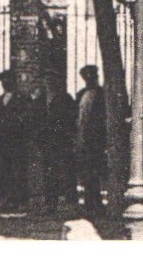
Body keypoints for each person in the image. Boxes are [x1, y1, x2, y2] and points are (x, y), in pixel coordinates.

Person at [34, 71, 77, 213]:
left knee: (66, 171)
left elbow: (71, 119)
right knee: (48, 172)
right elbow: (35, 119)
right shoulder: (40, 100)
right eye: (46, 80)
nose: (49, 83)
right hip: (46, 142)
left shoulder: (66, 98)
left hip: (62, 141)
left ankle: (70, 202)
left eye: (52, 80)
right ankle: (50, 202)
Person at [0, 69, 29, 209]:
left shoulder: (22, 98)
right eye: (3, 81)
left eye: (8, 80)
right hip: (2, 141)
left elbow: (25, 119)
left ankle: (21, 201)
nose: (5, 83)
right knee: (5, 171)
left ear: (13, 81)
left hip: (17, 141)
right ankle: (7, 199)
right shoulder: (0, 100)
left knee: (18, 171)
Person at [75, 64, 108, 213]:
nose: (89, 79)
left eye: (92, 76)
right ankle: (89, 203)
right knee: (86, 171)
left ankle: (97, 203)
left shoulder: (102, 94)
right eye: (86, 77)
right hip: (83, 137)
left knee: (96, 171)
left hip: (96, 139)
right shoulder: (81, 94)